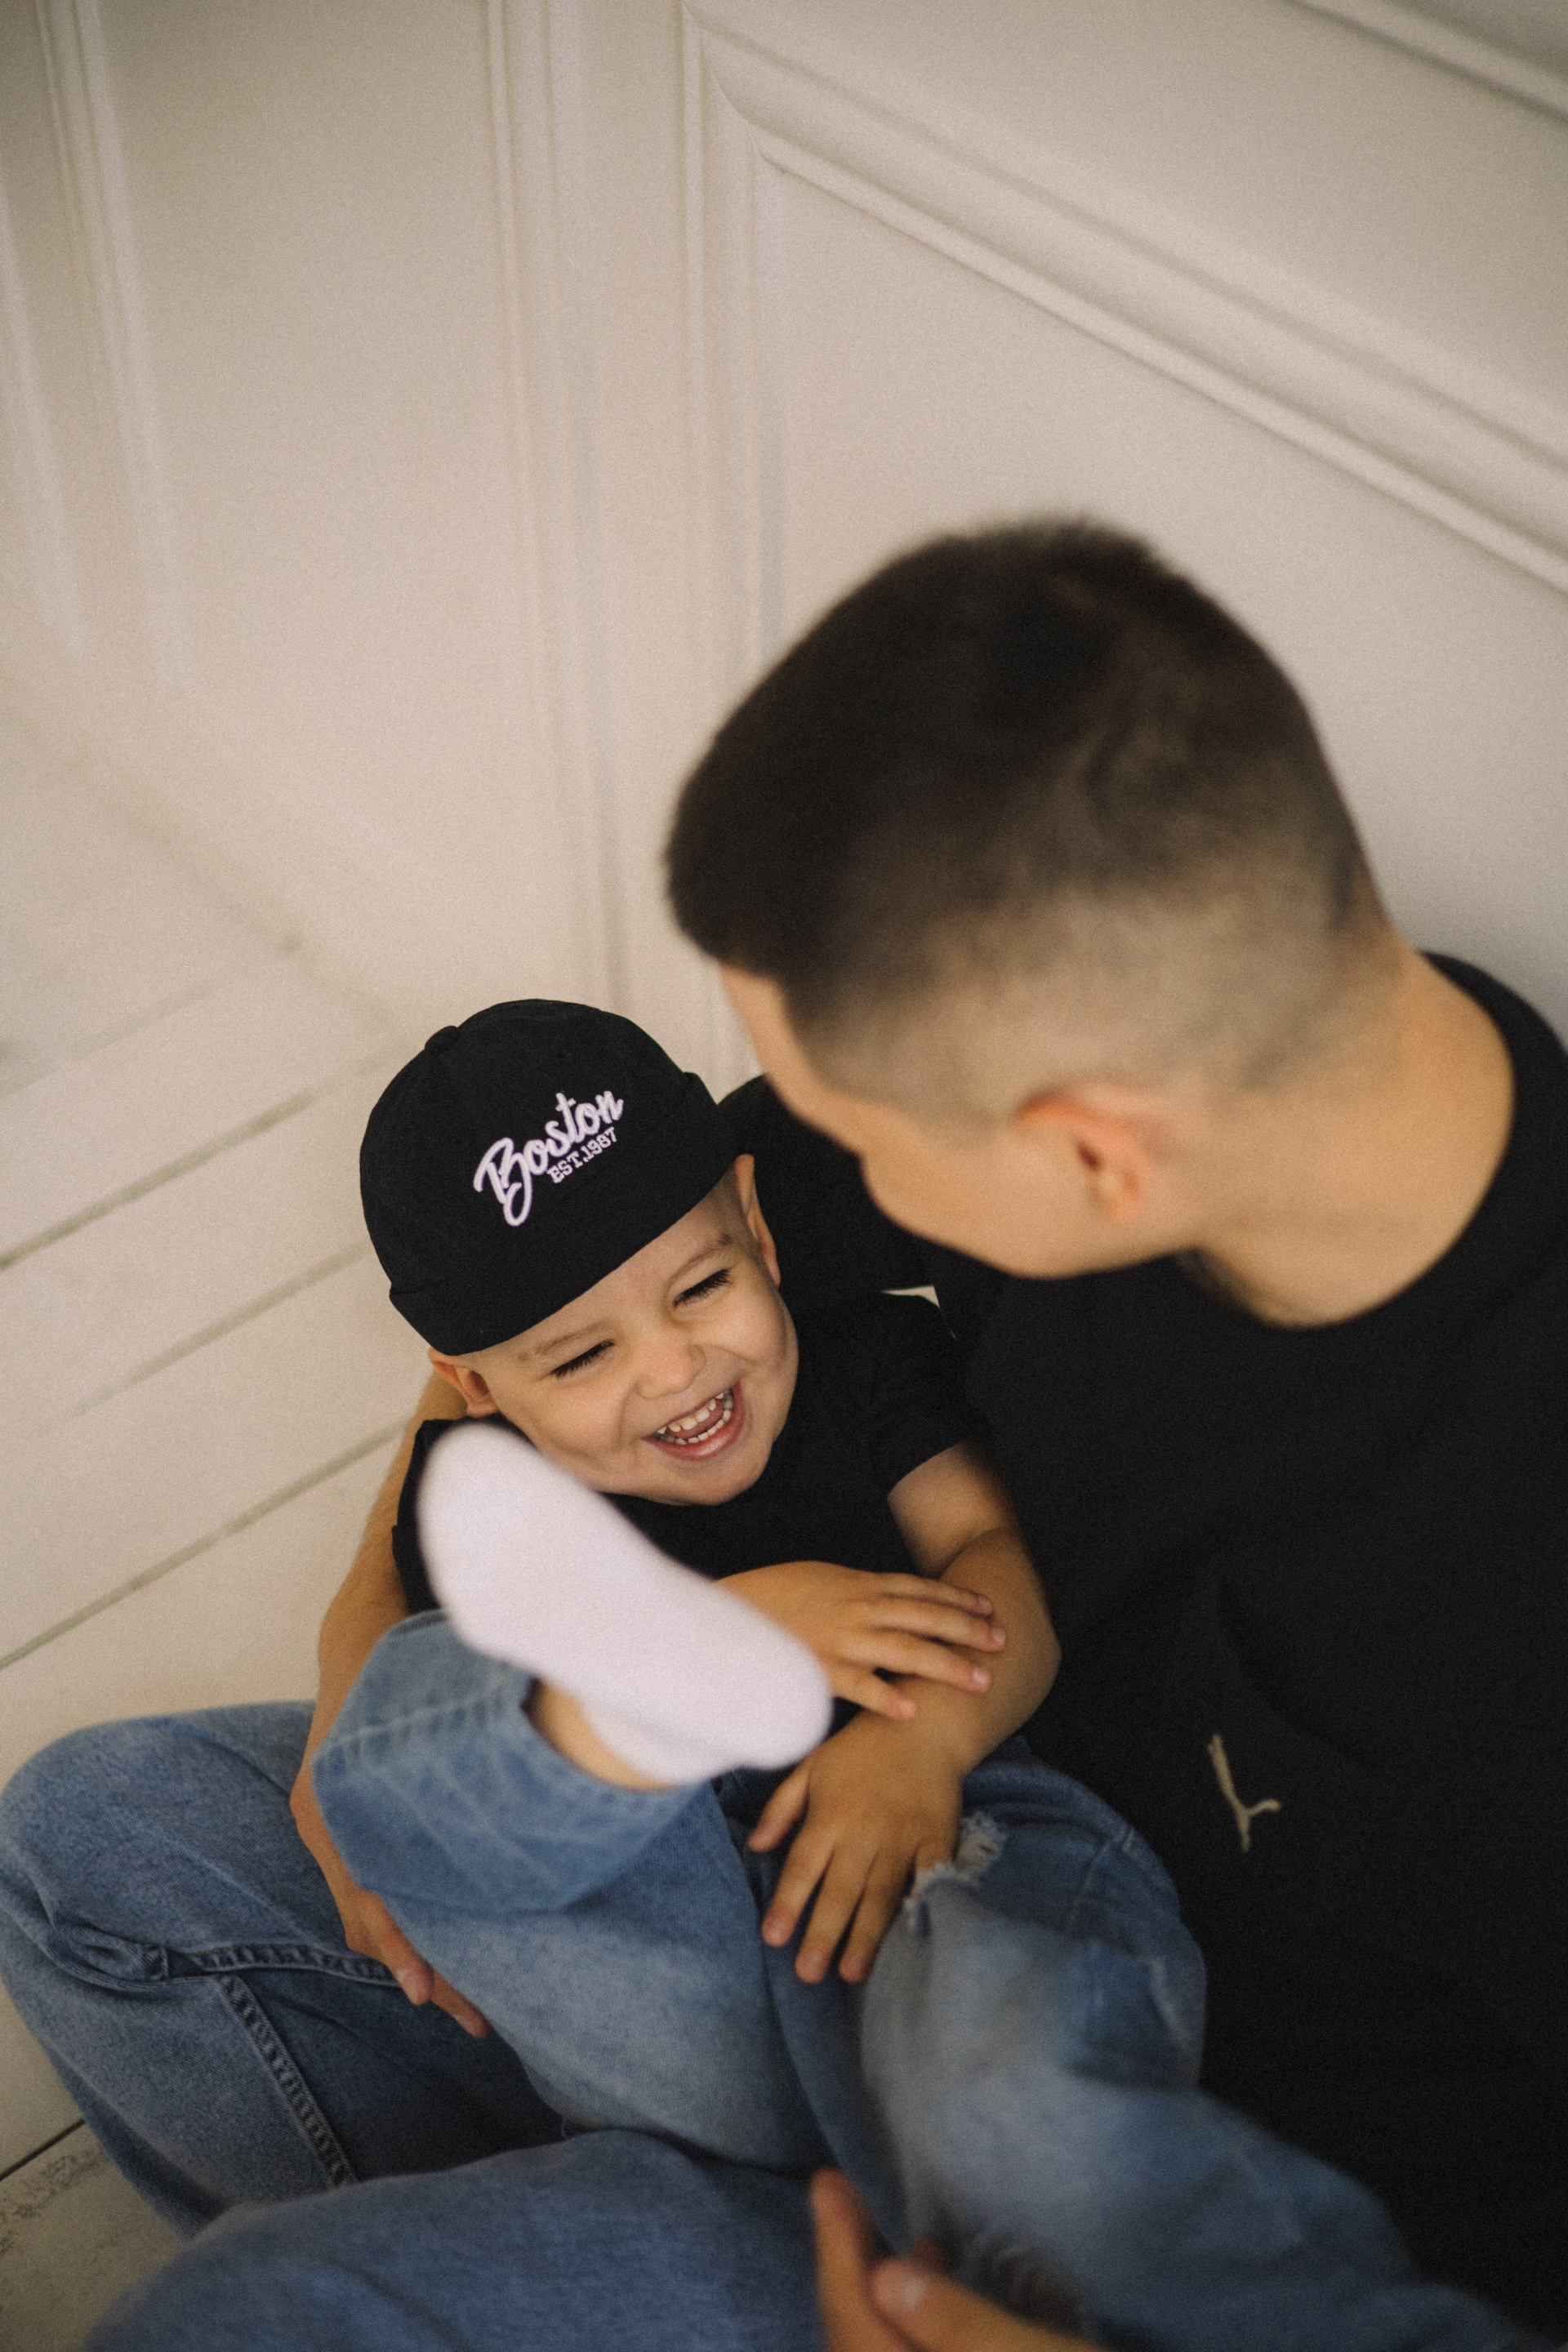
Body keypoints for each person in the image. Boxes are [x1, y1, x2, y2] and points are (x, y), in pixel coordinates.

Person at [665, 519, 1568, 2335]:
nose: (831, 1170)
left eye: (870, 1140)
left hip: (1171, 2222)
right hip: (881, 1863)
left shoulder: (1510, 1555)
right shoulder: (1192, 1043)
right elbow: (624, 1249)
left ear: (1094, 1155)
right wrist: (388, 1561)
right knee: (111, 1844)